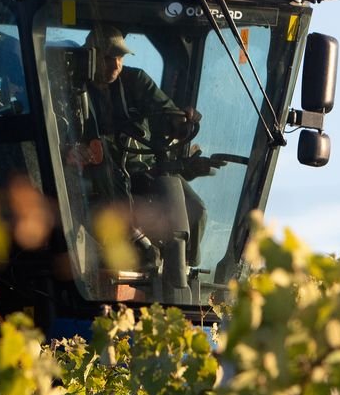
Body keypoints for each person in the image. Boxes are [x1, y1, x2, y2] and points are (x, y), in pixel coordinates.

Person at [63, 25, 224, 271]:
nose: (116, 65)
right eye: (108, 58)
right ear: (90, 56)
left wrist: (184, 122)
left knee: (196, 210)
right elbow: (57, 131)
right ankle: (135, 255)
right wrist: (71, 150)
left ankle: (184, 270)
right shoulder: (71, 89)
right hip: (98, 177)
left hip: (144, 169)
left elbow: (170, 116)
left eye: (120, 58)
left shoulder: (135, 81)